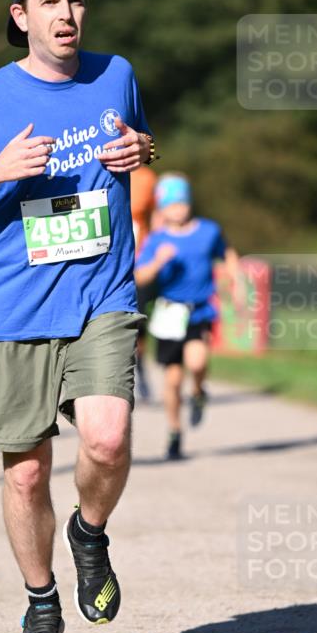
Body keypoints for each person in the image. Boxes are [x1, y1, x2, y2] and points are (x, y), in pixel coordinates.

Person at [0, 0, 155, 633]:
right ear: (21, 16)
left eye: (76, 1)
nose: (67, 15)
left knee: (107, 440)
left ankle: (89, 533)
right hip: (13, 306)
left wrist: (143, 151)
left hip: (101, 293)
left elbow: (140, 146)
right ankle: (39, 600)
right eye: (51, 3)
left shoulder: (115, 74)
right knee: (25, 471)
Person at [135, 173, 240, 460]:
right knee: (171, 380)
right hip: (169, 314)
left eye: (182, 203)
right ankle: (174, 431)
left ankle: (198, 392)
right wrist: (158, 262)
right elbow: (140, 277)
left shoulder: (208, 231)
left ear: (189, 203)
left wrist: (236, 279)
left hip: (199, 311)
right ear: (161, 208)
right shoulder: (157, 240)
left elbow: (227, 253)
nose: (178, 209)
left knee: (198, 361)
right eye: (171, 205)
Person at [130, 164, 158, 401]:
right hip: (102, 260)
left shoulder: (146, 178)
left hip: (139, 262)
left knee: (139, 324)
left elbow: (157, 215)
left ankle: (142, 369)